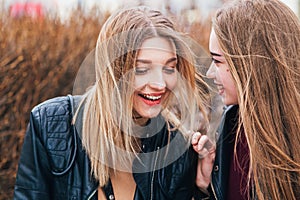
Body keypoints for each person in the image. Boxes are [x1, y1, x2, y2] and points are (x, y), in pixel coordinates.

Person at [14, 6, 214, 200]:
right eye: (142, 69)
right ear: (114, 70)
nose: (160, 84)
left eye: (169, 68)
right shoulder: (50, 125)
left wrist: (206, 189)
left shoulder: (177, 148)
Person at [194, 0, 300, 199]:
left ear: (251, 64)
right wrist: (204, 186)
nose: (209, 73)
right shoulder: (230, 129)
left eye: (217, 61)